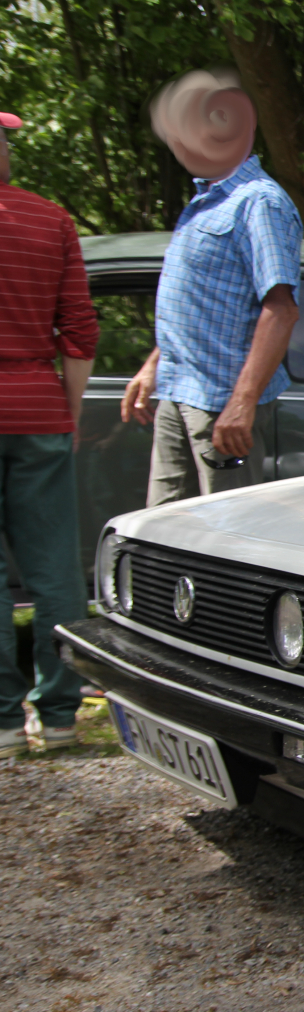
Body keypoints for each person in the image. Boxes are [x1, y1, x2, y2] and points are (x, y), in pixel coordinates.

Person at [121, 74, 301, 504]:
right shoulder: (205, 201)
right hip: (177, 389)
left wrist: (241, 403)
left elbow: (281, 309)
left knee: (226, 541)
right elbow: (196, 302)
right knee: (160, 532)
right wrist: (153, 365)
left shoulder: (260, 202)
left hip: (221, 403)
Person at [0, 111, 99, 757]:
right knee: (55, 568)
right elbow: (80, 332)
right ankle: (61, 715)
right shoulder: (49, 219)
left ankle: (5, 725)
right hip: (36, 405)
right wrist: (65, 410)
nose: (8, 147)